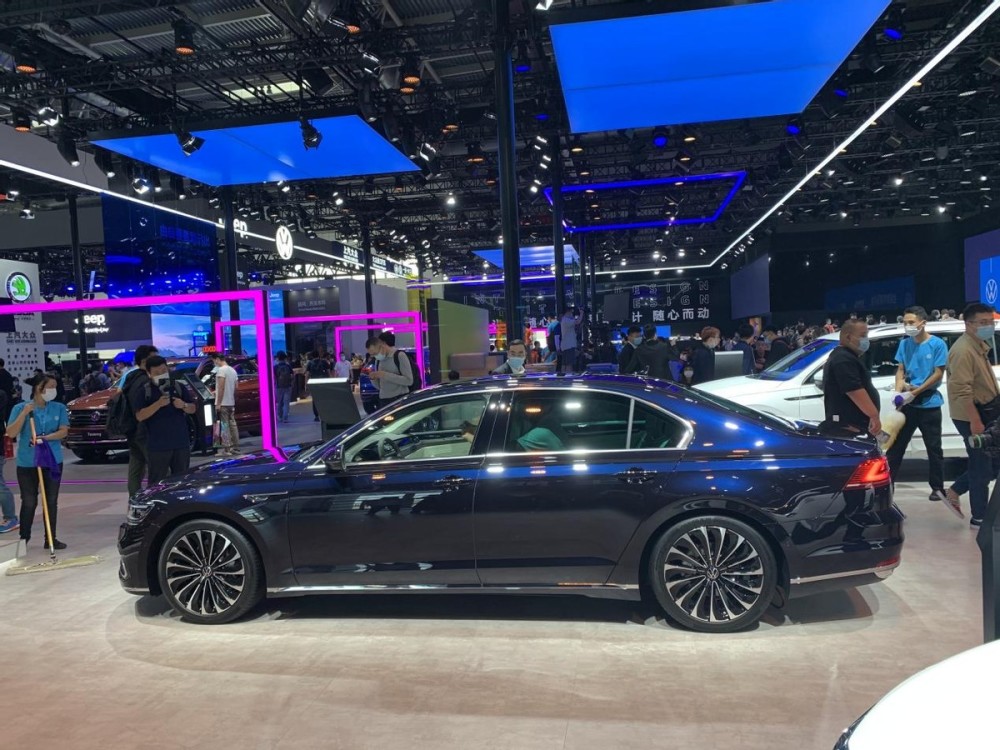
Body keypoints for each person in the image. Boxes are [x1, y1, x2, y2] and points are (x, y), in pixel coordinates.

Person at [944, 302, 1000, 525]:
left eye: (991, 322)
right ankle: (980, 517)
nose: (988, 326)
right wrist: (975, 420)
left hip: (986, 411)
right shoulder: (963, 351)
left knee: (990, 464)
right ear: (968, 324)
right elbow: (961, 390)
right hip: (973, 415)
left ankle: (955, 490)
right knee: (981, 465)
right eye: (983, 322)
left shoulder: (978, 345)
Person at [885, 306, 948, 502]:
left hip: (929, 403)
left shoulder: (937, 344)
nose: (908, 326)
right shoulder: (904, 344)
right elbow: (900, 370)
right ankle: (886, 486)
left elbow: (938, 373)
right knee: (896, 447)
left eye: (911, 322)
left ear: (923, 322)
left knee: (934, 449)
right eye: (905, 323)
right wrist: (898, 392)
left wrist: (915, 392)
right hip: (908, 404)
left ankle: (937, 488)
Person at [6, 373, 69, 548]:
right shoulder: (20, 408)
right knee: (29, 500)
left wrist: (46, 438)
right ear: (38, 388)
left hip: (52, 460)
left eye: (55, 387)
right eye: (50, 387)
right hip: (27, 462)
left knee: (51, 500)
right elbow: (11, 433)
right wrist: (25, 413)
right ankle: (23, 538)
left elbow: (64, 431)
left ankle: (51, 538)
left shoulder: (59, 408)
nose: (53, 390)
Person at [132, 356, 196, 485]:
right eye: (156, 373)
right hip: (157, 446)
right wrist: (158, 404)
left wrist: (183, 405)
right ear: (149, 374)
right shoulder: (145, 391)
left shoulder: (178, 387)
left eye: (163, 371)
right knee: (157, 482)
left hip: (181, 443)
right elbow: (140, 416)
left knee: (182, 480)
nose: (161, 374)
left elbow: (193, 409)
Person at [821, 319, 881, 436]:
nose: (866, 340)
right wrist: (874, 415)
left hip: (855, 424)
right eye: (863, 336)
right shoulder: (843, 359)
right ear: (848, 337)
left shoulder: (848, 356)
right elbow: (854, 390)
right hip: (849, 427)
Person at [122, 344, 158, 499]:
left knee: (136, 469)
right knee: (157, 469)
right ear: (144, 361)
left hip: (132, 430)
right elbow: (141, 409)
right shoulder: (144, 381)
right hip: (144, 430)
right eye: (154, 358)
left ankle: (135, 501)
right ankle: (153, 501)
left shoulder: (130, 377)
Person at [366, 332, 414, 408]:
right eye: (372, 355)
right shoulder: (378, 360)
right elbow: (380, 387)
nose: (375, 356)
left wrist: (384, 375)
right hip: (384, 401)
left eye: (375, 353)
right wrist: (373, 378)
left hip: (399, 399)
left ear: (383, 345)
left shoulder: (399, 356)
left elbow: (409, 381)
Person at [211, 353, 240, 456]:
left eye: (214, 361)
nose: (214, 363)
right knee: (233, 424)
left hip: (223, 403)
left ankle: (226, 449)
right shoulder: (233, 370)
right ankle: (235, 447)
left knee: (224, 425)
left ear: (217, 359)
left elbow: (221, 387)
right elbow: (236, 387)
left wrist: (218, 403)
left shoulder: (221, 370)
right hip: (231, 402)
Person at [305, 350, 330, 421]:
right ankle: (324, 414)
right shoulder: (324, 362)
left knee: (315, 400)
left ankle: (316, 416)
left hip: (314, 383)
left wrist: (306, 384)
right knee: (324, 398)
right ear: (318, 355)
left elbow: (307, 375)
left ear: (312, 356)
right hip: (323, 382)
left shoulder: (310, 363)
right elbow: (329, 373)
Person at [559, 305, 583, 374]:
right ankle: (568, 377)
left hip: (565, 346)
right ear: (568, 312)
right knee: (569, 364)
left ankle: (563, 377)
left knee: (564, 364)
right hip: (569, 346)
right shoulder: (566, 320)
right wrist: (581, 313)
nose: (572, 314)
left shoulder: (564, 320)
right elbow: (577, 321)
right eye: (571, 313)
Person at [273, 351, 294, 423]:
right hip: (288, 386)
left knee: (280, 402)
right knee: (286, 403)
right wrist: (291, 383)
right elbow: (292, 375)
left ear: (278, 358)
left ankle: (280, 416)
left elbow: (274, 377)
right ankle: (285, 418)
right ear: (285, 358)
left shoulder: (275, 367)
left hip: (279, 386)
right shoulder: (288, 366)